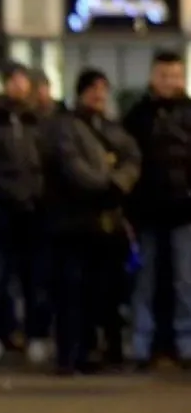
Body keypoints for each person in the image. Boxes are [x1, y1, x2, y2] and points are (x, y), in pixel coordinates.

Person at [41, 69, 141, 375]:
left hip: (102, 223)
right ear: (81, 91)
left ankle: (87, 351)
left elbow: (132, 158)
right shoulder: (65, 126)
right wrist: (106, 185)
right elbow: (71, 165)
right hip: (71, 220)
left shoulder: (112, 127)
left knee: (96, 290)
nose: (99, 95)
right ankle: (68, 354)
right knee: (70, 288)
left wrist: (118, 184)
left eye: (103, 89)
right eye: (93, 89)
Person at [122, 50, 191, 369]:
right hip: (147, 210)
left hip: (184, 210)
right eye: (165, 75)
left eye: (176, 75)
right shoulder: (138, 115)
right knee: (144, 281)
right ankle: (141, 345)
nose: (171, 81)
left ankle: (185, 343)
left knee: (185, 281)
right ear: (153, 77)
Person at [0, 62, 50, 365]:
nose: (18, 87)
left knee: (35, 278)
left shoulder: (42, 120)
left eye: (23, 81)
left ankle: (35, 336)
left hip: (35, 207)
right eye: (13, 81)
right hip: (1, 207)